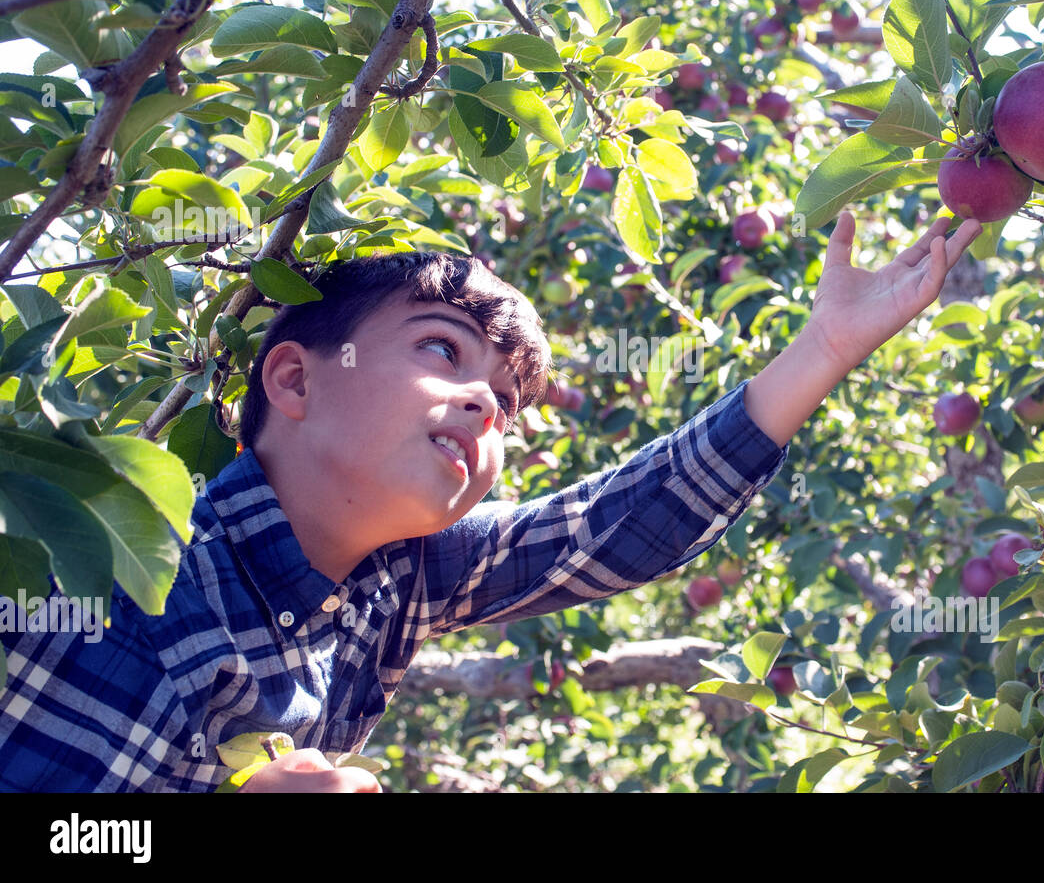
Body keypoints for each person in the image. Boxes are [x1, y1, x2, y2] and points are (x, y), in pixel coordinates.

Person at [0, 211, 981, 791]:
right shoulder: (100, 575)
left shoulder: (397, 583)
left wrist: (823, 352)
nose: (484, 402)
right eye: (440, 351)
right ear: (293, 381)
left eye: (507, 404)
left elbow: (614, 528)